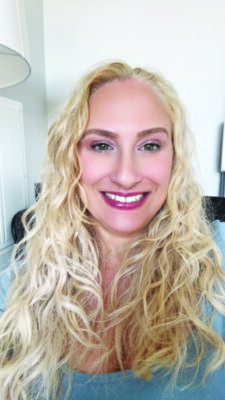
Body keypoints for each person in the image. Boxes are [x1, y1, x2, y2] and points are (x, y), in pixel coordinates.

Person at [0, 61, 225, 400]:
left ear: (174, 158)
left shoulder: (218, 264)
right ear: (71, 156)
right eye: (102, 145)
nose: (125, 175)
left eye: (149, 145)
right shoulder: (17, 289)